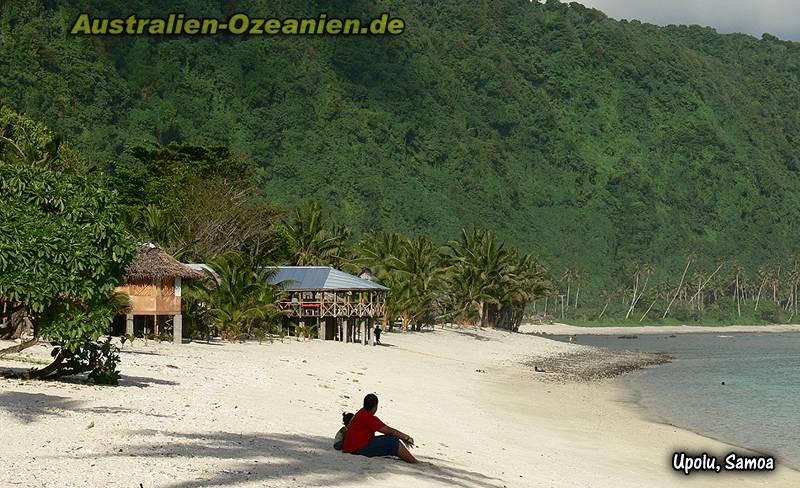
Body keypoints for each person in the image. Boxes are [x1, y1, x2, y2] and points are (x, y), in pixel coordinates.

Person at [342, 393, 417, 463]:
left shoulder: (361, 412)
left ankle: (412, 460)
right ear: (375, 407)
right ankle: (414, 461)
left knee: (390, 439)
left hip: (351, 447)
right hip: (357, 449)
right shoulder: (369, 417)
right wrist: (406, 437)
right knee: (393, 441)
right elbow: (390, 431)